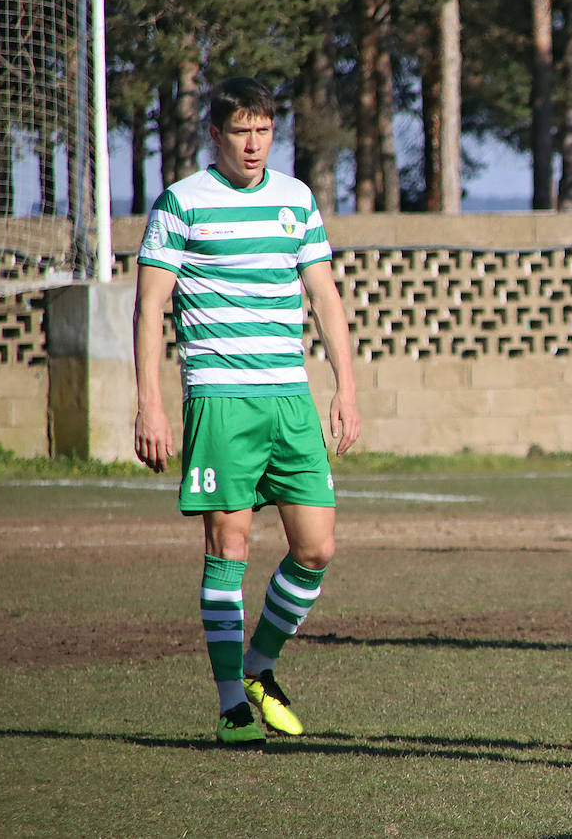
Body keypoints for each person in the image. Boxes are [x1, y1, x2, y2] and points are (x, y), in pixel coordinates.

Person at [133, 76, 361, 746]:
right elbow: (150, 306)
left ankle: (260, 664)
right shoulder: (182, 203)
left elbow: (324, 296)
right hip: (220, 399)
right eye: (241, 131)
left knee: (316, 546)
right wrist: (150, 403)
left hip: (289, 397)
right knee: (227, 546)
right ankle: (233, 701)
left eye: (264, 130)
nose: (254, 143)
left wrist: (345, 387)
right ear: (216, 134)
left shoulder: (296, 200)